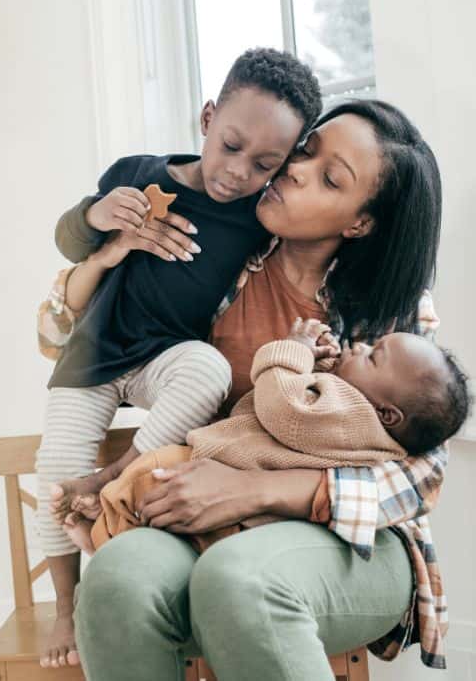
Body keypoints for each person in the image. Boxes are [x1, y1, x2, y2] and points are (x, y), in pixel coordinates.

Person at [46, 100, 450, 676]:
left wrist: (257, 490)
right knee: (116, 580)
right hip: (205, 520)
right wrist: (110, 252)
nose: (295, 169)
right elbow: (65, 332)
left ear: (359, 221)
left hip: (352, 542)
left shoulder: (394, 308)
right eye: (306, 151)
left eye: (331, 178)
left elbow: (424, 473)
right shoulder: (221, 254)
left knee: (239, 581)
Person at [34, 47, 324, 667]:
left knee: (209, 371)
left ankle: (115, 479)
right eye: (231, 145)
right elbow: (67, 238)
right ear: (207, 117)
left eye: (263, 164)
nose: (237, 172)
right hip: (94, 353)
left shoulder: (257, 219)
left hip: (167, 357)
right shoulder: (140, 173)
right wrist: (97, 216)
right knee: (54, 469)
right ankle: (65, 605)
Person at [60, 318, 470, 555]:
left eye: (374, 355)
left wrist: (292, 351)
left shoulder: (351, 414)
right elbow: (310, 423)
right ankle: (105, 527)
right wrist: (322, 372)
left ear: (387, 413)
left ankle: (101, 535)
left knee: (149, 475)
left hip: (233, 480)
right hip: (251, 509)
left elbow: (283, 409)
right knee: (154, 493)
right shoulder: (363, 426)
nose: (359, 346)